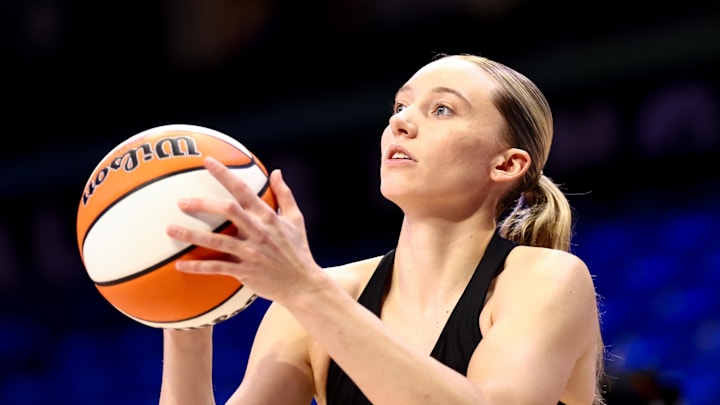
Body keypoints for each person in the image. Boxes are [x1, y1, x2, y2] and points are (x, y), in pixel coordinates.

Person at [159, 53, 607, 405]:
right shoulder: (319, 300)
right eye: (400, 105)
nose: (400, 121)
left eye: (442, 109)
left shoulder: (547, 279)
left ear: (506, 164)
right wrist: (185, 316)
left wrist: (307, 290)